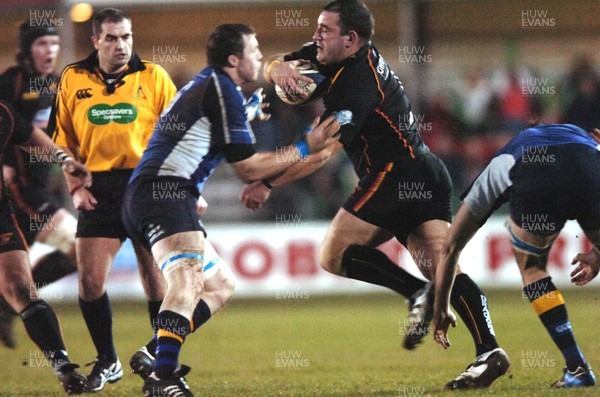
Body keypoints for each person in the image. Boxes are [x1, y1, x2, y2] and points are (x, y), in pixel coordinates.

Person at [245, 0, 509, 389]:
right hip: (427, 172)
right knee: (443, 269)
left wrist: (267, 182)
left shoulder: (356, 86)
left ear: (350, 39)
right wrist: (275, 68)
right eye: (317, 28)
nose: (315, 35)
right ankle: (490, 350)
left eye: (324, 30)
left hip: (394, 174)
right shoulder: (334, 55)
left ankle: (414, 292)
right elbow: (283, 62)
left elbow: (323, 152)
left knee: (332, 255)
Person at [122, 23, 340, 396]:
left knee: (221, 286)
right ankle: (162, 377)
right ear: (234, 59)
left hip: (159, 193)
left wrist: (246, 111)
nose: (260, 57)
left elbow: (202, 134)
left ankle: (156, 352)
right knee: (187, 281)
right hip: (164, 194)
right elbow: (248, 169)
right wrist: (306, 144)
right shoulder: (221, 89)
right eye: (254, 51)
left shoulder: (218, 89)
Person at [50, 8, 175, 392]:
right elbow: (60, 140)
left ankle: (159, 359)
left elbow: (178, 133)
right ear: (95, 41)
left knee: (154, 278)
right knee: (89, 282)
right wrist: (75, 185)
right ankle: (109, 360)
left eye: (126, 37)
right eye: (111, 38)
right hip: (97, 187)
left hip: (145, 183)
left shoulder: (154, 76)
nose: (121, 45)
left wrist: (183, 185)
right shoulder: (73, 77)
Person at [432, 123, 599, 388]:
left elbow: (450, 247)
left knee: (532, 267)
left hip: (536, 175)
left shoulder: (503, 159)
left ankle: (578, 367)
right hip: (591, 163)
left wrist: (440, 308)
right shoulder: (584, 137)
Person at [0, 100, 90, 394]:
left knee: (19, 287)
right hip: (25, 197)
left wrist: (64, 160)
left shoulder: (3, 111)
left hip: (2, 213)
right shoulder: (14, 82)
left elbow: (28, 135)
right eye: (41, 47)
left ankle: (64, 368)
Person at [0, 21, 78, 350]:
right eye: (42, 43)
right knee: (81, 246)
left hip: (45, 187)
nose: (50, 50)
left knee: (75, 255)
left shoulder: (57, 84)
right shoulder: (12, 82)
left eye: (54, 44)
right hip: (20, 188)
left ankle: (6, 307)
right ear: (28, 49)